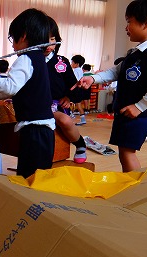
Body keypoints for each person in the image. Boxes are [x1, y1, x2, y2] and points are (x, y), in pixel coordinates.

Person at [76, 0, 147, 172]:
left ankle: (135, 190)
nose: (126, 27)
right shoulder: (136, 53)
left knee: (127, 153)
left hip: (137, 114)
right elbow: (115, 72)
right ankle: (131, 186)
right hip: (127, 112)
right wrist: (93, 78)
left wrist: (140, 106)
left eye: (129, 21)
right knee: (124, 152)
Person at [0, 8, 55, 178]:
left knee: (30, 177)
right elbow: (17, 89)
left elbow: (9, 87)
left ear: (23, 36)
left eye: (13, 39)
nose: (12, 45)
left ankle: (30, 203)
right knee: (38, 176)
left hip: (35, 130)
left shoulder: (26, 59)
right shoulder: (38, 58)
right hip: (43, 130)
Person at [45, 16, 87, 164]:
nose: (48, 44)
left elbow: (73, 85)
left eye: (52, 39)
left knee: (65, 121)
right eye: (43, 39)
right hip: (36, 106)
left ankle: (80, 144)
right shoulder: (28, 61)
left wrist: (68, 97)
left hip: (57, 106)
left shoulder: (61, 62)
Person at [71, 54, 87, 125]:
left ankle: (72, 115)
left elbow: (76, 81)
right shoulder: (80, 70)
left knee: (77, 104)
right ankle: (73, 115)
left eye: (72, 62)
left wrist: (71, 88)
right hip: (79, 89)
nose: (71, 64)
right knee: (77, 104)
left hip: (76, 89)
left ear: (77, 64)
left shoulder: (76, 70)